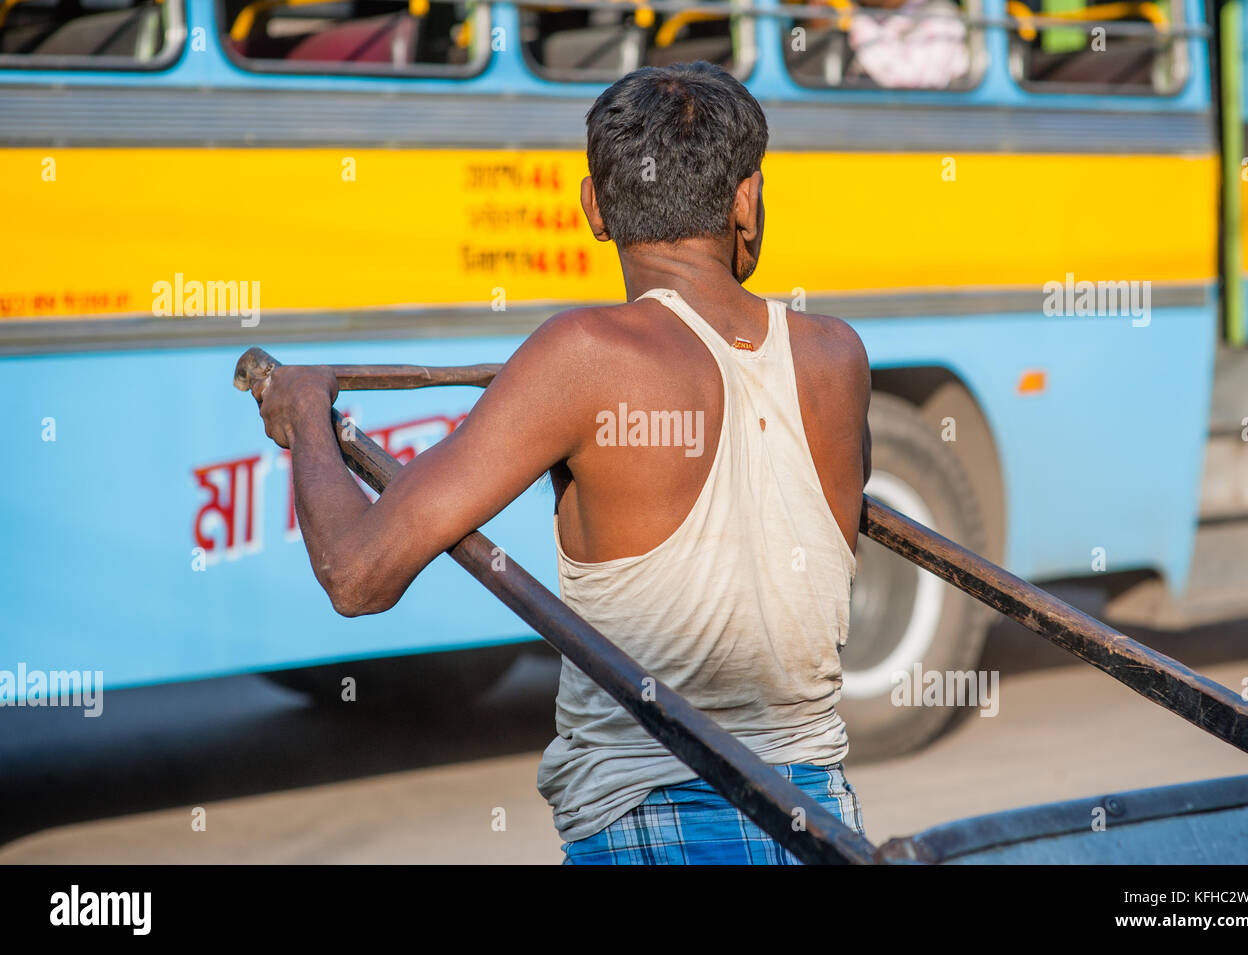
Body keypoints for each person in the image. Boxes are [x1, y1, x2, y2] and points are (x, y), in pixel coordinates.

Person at [252, 61, 873, 865]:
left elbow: (356, 575)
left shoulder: (581, 356)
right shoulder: (836, 354)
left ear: (593, 210)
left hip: (654, 816)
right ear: (746, 197)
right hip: (822, 817)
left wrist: (305, 410)